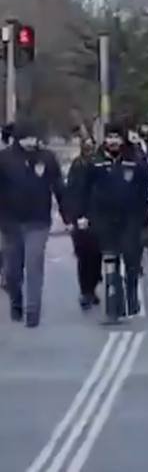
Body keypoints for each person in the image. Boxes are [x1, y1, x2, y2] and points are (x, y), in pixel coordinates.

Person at [71, 122, 148, 323]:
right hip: (104, 219)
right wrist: (80, 215)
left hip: (131, 219)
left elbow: (147, 189)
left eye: (117, 137)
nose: (113, 141)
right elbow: (82, 190)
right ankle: (112, 309)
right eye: (110, 137)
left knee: (131, 261)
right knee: (110, 262)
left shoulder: (136, 161)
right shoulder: (94, 162)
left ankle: (131, 301)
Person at [0, 122, 68, 327]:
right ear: (18, 138)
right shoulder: (4, 159)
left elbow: (59, 187)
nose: (31, 142)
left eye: (33, 138)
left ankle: (32, 311)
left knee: (34, 264)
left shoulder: (46, 158)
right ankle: (16, 300)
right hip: (10, 222)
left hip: (38, 221)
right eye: (26, 138)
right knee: (12, 271)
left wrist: (69, 216)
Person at [66, 137, 103, 310]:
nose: (89, 148)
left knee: (96, 256)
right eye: (86, 145)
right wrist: (75, 216)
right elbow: (73, 192)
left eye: (91, 144)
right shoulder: (77, 165)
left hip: (97, 215)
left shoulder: (99, 164)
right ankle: (85, 291)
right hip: (80, 216)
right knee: (84, 255)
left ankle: (92, 287)